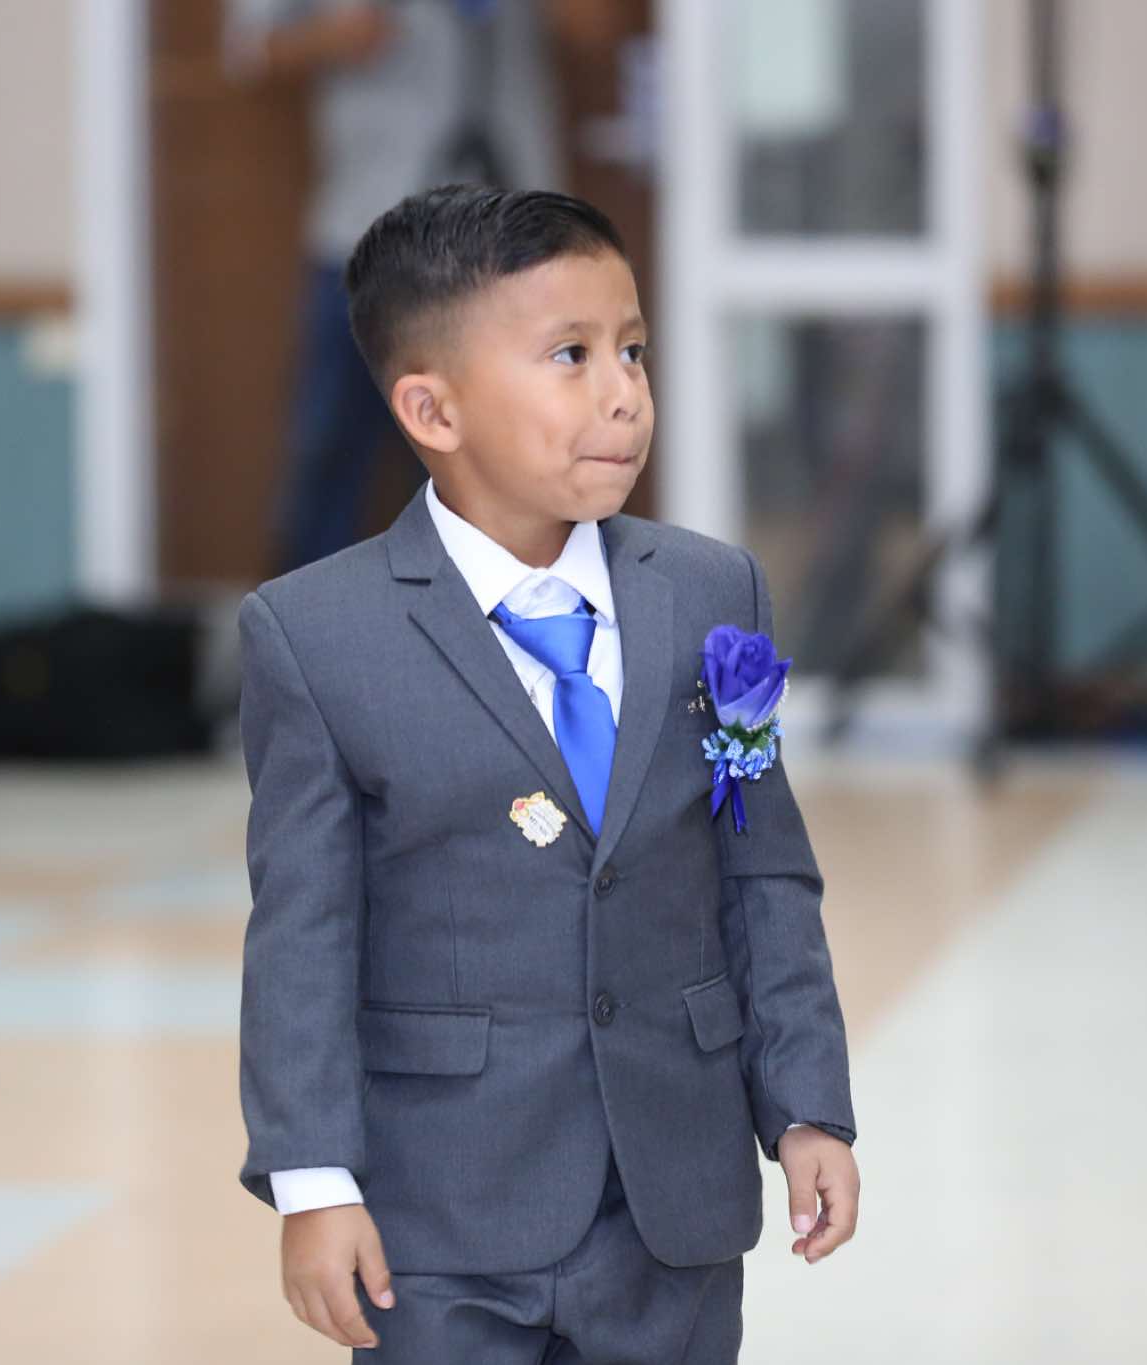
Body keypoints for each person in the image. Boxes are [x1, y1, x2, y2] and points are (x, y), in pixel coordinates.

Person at [236, 186, 861, 1361]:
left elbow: (763, 873)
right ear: (431, 408)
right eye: (569, 356)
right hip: (438, 1211)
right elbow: (301, 936)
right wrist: (313, 1181)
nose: (623, 393)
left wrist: (805, 1106)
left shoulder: (712, 595)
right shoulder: (316, 635)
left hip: (671, 1201)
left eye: (631, 350)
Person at [224, 0, 624, 574]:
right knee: (329, 460)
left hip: (512, 248)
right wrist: (336, 36)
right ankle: (304, 626)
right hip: (363, 236)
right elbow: (248, 50)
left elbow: (596, 27)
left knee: (514, 464)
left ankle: (507, 623)